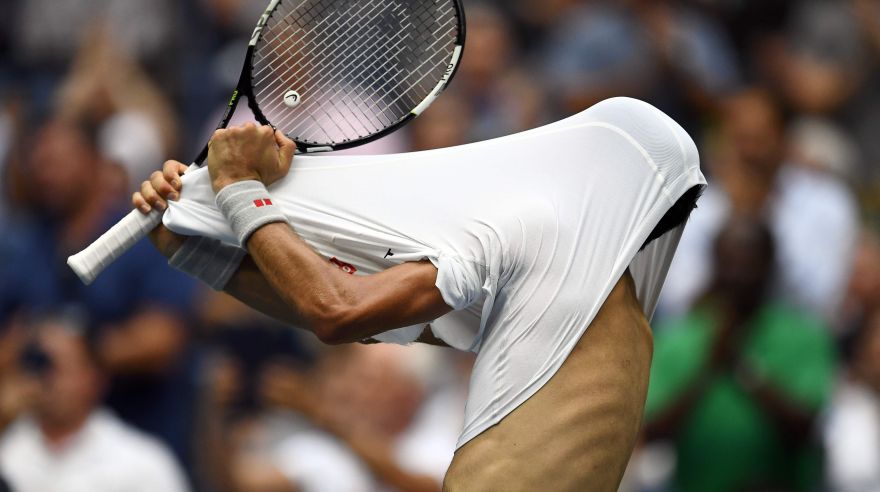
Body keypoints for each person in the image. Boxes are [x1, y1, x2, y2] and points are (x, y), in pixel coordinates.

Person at [133, 97, 706, 490]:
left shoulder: (535, 231)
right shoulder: (619, 320)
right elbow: (374, 317)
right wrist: (192, 246)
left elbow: (337, 310)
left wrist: (236, 187)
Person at [644, 217, 836, 492]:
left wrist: (742, 369)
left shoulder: (805, 336)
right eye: (728, 263)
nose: (737, 275)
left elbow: (804, 429)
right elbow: (652, 433)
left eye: (749, 265)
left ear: (770, 266)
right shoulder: (681, 337)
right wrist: (708, 368)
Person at [0, 315, 189, 492]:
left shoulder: (140, 462)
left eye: (57, 366)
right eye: (38, 365)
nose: (46, 379)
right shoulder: (8, 448)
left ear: (94, 377)